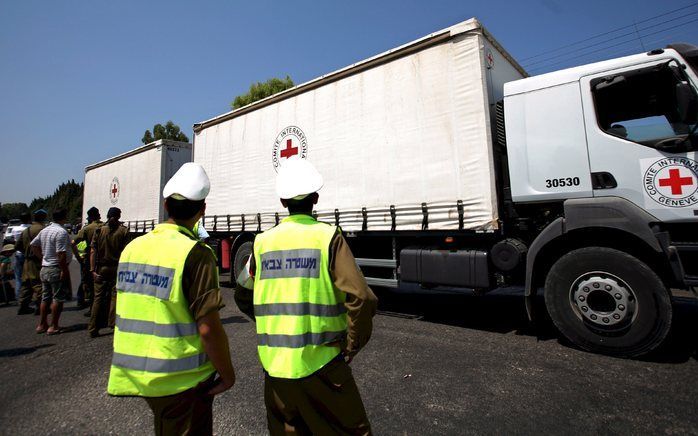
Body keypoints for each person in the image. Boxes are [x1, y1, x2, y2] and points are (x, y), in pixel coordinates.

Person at [235, 158, 377, 435]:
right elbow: (362, 298)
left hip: (275, 372)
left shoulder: (262, 242)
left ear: (282, 201)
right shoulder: (327, 238)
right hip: (323, 367)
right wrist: (351, 344)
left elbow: (242, 295)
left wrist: (276, 324)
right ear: (316, 198)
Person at [108, 162, 235, 435]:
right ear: (203, 210)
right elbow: (208, 328)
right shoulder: (196, 254)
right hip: (181, 381)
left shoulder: (132, 248)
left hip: (138, 374)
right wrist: (228, 375)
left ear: (165, 205)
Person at [29, 208, 72, 335]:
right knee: (57, 298)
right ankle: (54, 326)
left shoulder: (45, 230)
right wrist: (64, 270)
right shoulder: (61, 232)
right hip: (55, 268)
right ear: (64, 217)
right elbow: (61, 253)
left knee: (45, 298)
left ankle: (42, 324)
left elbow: (33, 245)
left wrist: (42, 258)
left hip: (45, 267)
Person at [88, 207, 128, 338]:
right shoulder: (123, 231)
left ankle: (93, 327)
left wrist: (92, 270)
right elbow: (126, 252)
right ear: (118, 216)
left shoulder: (99, 231)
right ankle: (113, 323)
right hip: (116, 268)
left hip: (101, 268)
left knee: (98, 298)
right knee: (114, 296)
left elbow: (93, 251)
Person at [16, 209, 48, 315]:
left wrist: (26, 252)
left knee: (26, 284)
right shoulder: (43, 230)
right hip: (37, 260)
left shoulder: (27, 230)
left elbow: (18, 246)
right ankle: (40, 306)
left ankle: (23, 306)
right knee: (38, 284)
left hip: (26, 261)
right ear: (43, 218)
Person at [71, 207, 102, 311]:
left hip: (89, 259)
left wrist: (79, 258)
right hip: (102, 259)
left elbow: (73, 243)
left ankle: (87, 305)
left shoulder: (87, 229)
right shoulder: (105, 226)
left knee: (87, 282)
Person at [11, 212, 31, 300]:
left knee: (18, 278)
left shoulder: (15, 229)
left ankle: (18, 297)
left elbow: (13, 240)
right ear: (29, 219)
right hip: (28, 255)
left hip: (18, 254)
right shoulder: (30, 228)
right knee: (30, 277)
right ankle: (28, 297)